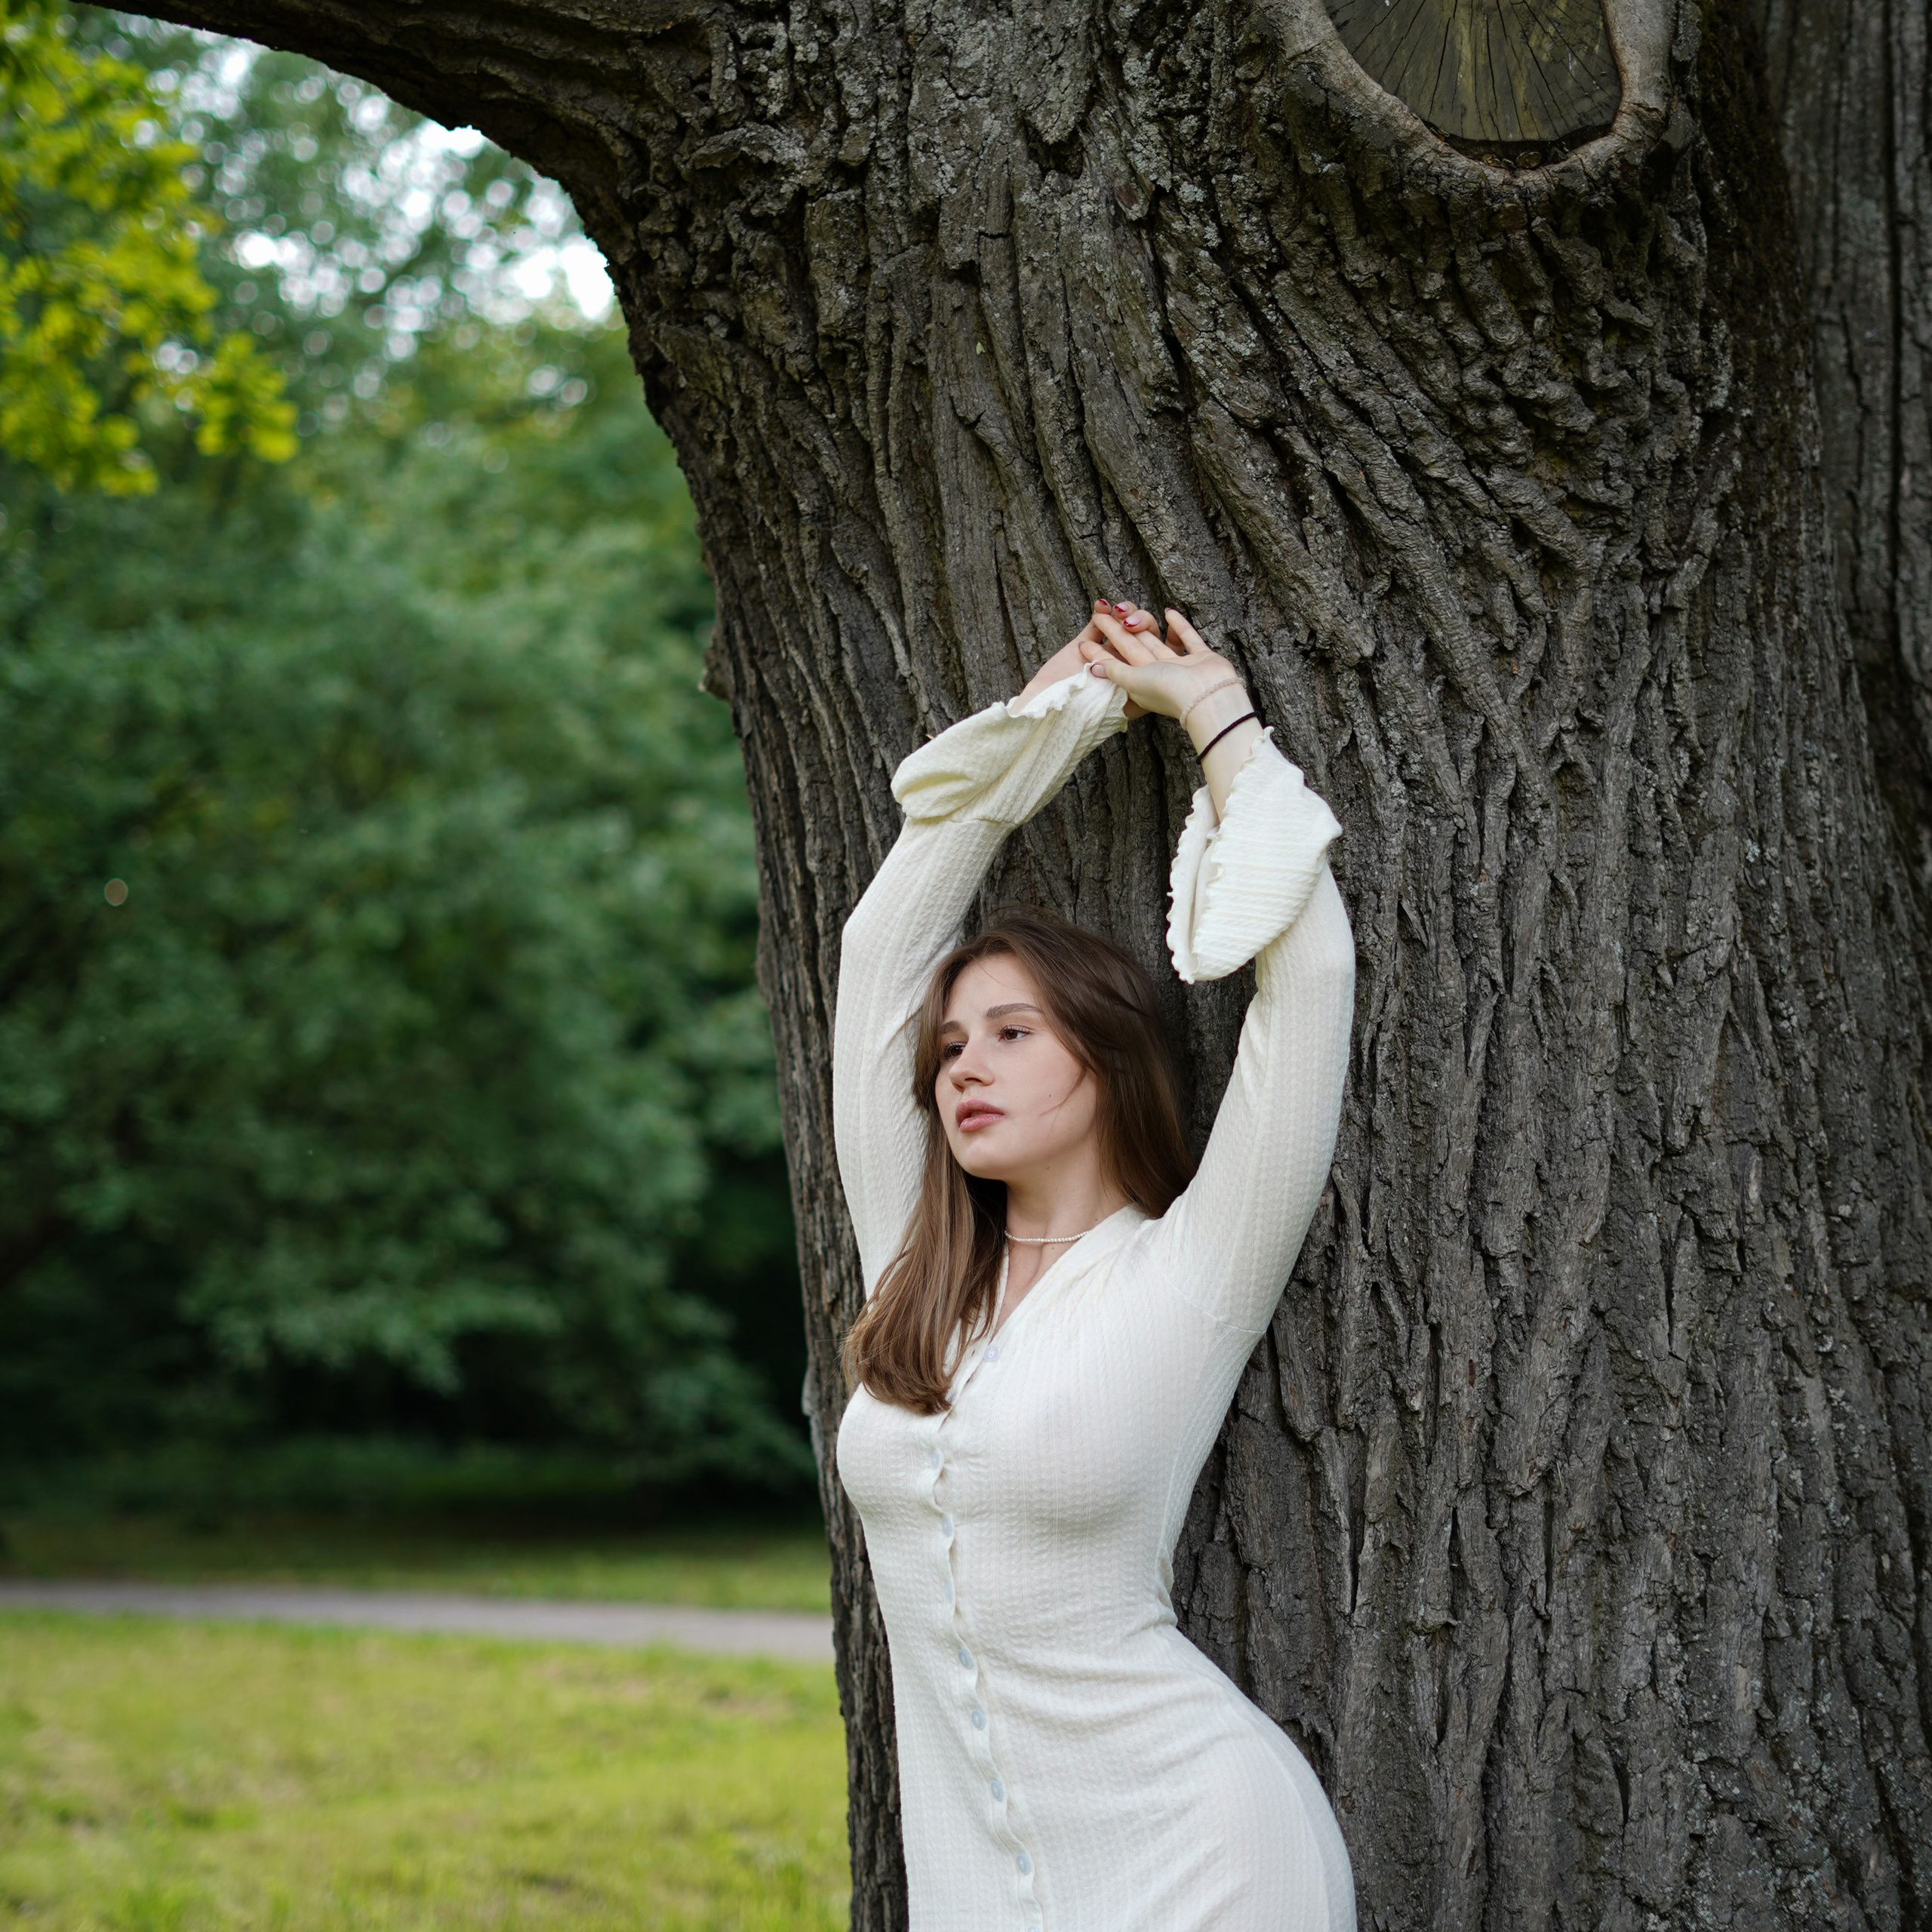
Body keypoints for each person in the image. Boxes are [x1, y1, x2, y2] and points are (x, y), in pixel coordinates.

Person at [832, 598, 1358, 1932]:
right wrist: (1052, 715)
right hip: (976, 1890)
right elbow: (878, 955)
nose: (966, 1067)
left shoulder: (1192, 1273)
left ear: (1109, 1059)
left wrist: (1215, 717)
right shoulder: (919, 1269)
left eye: (1013, 1034)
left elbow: (1308, 985)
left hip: (1207, 1855)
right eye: (953, 1047)